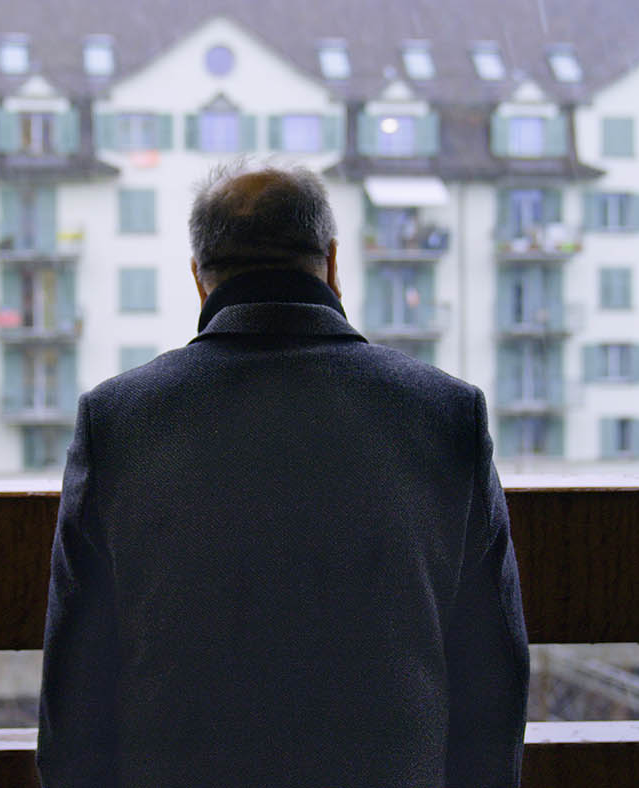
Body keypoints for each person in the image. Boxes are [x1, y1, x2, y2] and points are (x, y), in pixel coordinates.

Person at [37, 162, 529, 787]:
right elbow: (493, 667)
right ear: (331, 264)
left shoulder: (120, 421)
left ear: (199, 279)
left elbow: (77, 681)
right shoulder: (444, 414)